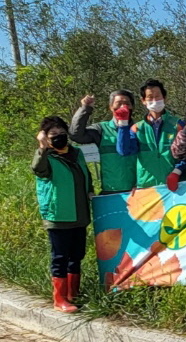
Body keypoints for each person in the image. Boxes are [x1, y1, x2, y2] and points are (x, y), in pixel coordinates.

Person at [33, 116, 93, 313]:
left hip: (79, 213)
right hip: (58, 214)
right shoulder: (46, 157)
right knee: (60, 257)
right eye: (53, 134)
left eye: (61, 133)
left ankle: (73, 294)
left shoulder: (76, 153)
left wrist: (90, 190)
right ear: (46, 138)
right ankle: (59, 299)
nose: (59, 137)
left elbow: (86, 175)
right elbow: (38, 170)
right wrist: (42, 146)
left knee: (77, 255)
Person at [113, 79, 182, 189]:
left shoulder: (177, 125)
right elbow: (124, 151)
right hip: (147, 187)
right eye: (150, 97)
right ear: (143, 101)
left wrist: (177, 172)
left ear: (165, 98)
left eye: (158, 96)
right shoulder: (137, 128)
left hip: (174, 186)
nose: (154, 100)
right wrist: (123, 123)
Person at [69, 90, 137, 195]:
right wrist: (85, 108)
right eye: (119, 103)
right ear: (110, 107)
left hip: (136, 192)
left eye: (127, 103)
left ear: (132, 107)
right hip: (110, 192)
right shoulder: (101, 129)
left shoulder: (139, 129)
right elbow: (76, 135)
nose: (123, 107)